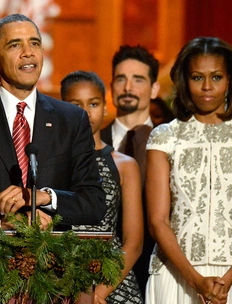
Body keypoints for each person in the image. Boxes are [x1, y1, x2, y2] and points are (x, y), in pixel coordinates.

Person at [0, 14, 106, 236]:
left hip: (55, 265)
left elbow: (94, 203)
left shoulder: (71, 120)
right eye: (15, 45)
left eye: (35, 43)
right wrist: (1, 223)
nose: (28, 52)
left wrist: (45, 197)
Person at [145, 36, 232, 304]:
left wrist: (226, 279)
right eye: (197, 78)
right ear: (185, 81)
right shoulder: (165, 136)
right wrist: (196, 281)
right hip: (176, 276)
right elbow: (158, 221)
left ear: (229, 80)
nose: (207, 87)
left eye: (216, 77)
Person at [61, 70, 144, 304]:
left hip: (114, 280)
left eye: (94, 103)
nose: (85, 112)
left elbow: (134, 241)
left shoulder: (125, 165)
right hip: (63, 280)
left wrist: (100, 293)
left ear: (105, 108)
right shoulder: (53, 165)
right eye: (75, 104)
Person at [100, 44, 160, 298]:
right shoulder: (90, 142)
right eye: (121, 79)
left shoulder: (170, 142)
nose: (128, 88)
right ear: (111, 86)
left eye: (138, 80)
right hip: (101, 271)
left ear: (154, 88)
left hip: (157, 268)